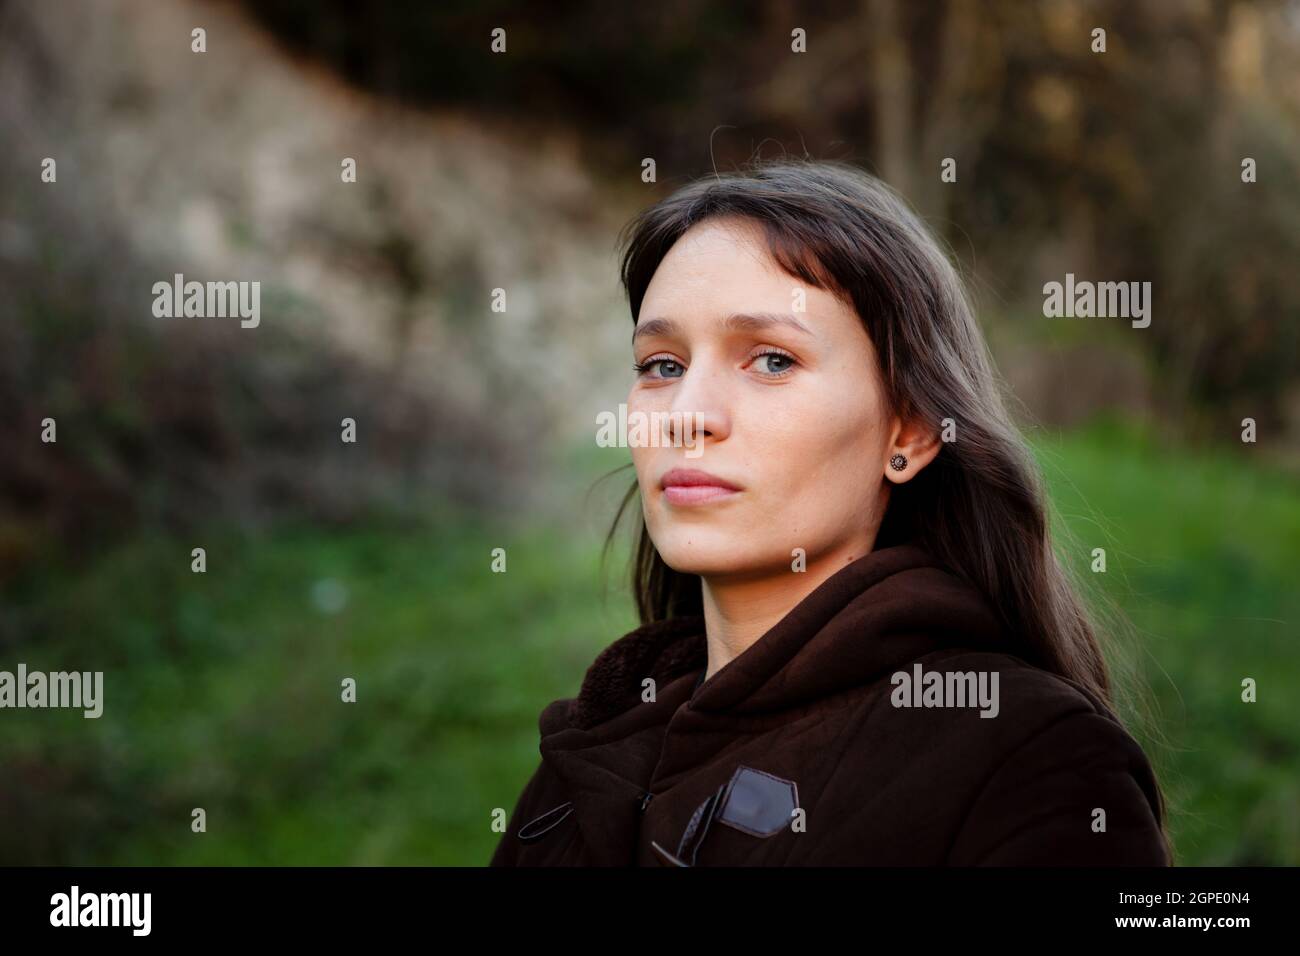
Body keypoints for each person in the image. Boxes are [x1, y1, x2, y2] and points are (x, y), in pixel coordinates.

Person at [490, 157, 1172, 866]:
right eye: (662, 365)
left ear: (907, 431)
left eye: (772, 361)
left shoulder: (1030, 767)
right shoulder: (584, 755)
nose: (686, 415)